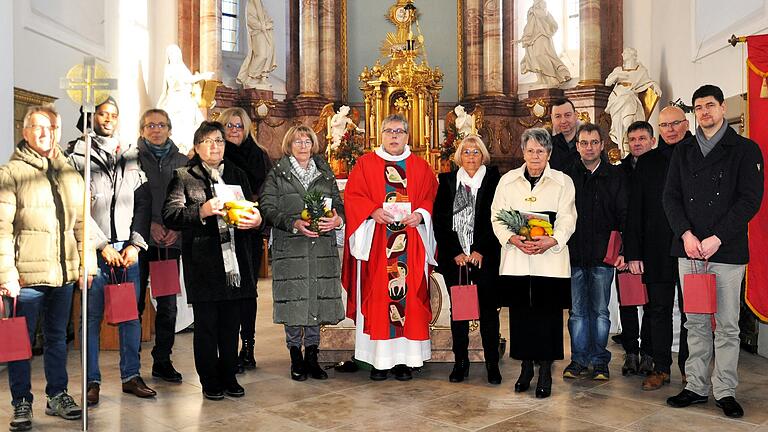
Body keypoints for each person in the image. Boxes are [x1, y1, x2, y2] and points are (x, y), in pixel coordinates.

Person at [664, 85, 764, 418]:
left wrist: (717, 237)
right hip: (690, 250)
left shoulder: (746, 150)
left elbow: (749, 200)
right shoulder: (684, 150)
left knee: (726, 324)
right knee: (695, 323)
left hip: (727, 250)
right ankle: (695, 386)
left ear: (722, 108)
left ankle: (724, 389)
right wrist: (686, 235)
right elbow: (671, 198)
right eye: (698, 107)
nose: (704, 112)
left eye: (710, 105)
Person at [0, 106, 94, 431]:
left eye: (52, 127)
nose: (46, 133)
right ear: (25, 132)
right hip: (25, 277)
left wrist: (87, 265)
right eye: (38, 127)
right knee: (20, 343)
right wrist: (5, 275)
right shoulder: (11, 172)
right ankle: (21, 402)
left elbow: (82, 223)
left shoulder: (69, 172)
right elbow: (1, 228)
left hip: (63, 273)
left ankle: (58, 395)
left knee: (57, 338)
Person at [162, 121, 262, 400]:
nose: (215, 146)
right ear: (197, 147)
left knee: (231, 325)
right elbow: (171, 215)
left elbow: (253, 208)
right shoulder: (183, 176)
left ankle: (229, 375)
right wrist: (202, 211)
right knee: (207, 326)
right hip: (204, 263)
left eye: (219, 141)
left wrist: (256, 219)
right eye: (207, 141)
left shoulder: (237, 173)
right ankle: (209, 380)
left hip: (236, 264)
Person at [66, 97, 155, 405]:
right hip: (94, 251)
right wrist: (101, 245)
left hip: (127, 251)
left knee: (130, 316)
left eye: (113, 115)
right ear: (90, 118)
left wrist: (135, 244)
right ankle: (91, 382)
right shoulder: (75, 155)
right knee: (90, 318)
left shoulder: (130, 153)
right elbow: (75, 207)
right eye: (102, 114)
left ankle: (131, 376)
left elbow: (143, 202)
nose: (108, 119)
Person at [341, 114, 438, 381]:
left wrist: (420, 215)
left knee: (411, 301)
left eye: (399, 131)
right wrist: (371, 211)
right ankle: (379, 361)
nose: (394, 136)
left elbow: (431, 197)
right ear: (380, 135)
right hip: (376, 246)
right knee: (379, 298)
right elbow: (353, 196)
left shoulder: (420, 166)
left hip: (412, 247)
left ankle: (405, 361)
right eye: (389, 131)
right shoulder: (365, 164)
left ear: (408, 136)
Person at [490, 127, 576, 398]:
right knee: (521, 316)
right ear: (522, 152)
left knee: (548, 317)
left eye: (540, 150)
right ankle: (526, 368)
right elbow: (496, 217)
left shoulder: (563, 181)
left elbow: (567, 218)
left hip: (549, 259)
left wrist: (552, 240)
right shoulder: (507, 181)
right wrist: (512, 239)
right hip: (517, 258)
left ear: (548, 152)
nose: (535, 155)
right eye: (530, 150)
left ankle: (545, 372)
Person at [260, 125, 345, 381]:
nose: (303, 145)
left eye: (307, 140)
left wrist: (337, 219)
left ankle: (313, 356)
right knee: (295, 301)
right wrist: (292, 223)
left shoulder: (325, 171)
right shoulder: (278, 173)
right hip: (292, 246)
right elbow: (267, 206)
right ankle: (296, 355)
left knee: (316, 299)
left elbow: (338, 203)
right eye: (297, 141)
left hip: (321, 247)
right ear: (289, 145)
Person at [625, 108, 693, 391]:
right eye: (664, 125)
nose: (670, 129)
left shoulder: (698, 154)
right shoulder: (649, 161)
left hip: (693, 247)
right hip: (657, 249)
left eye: (675, 123)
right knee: (658, 310)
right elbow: (636, 209)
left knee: (693, 313)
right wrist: (634, 252)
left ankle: (691, 369)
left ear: (685, 124)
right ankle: (661, 367)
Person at [433, 135, 502, 384]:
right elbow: (439, 221)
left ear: (483, 155)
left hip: (486, 257)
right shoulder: (449, 182)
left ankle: (492, 363)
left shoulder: (496, 181)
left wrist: (481, 249)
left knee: (488, 312)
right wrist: (455, 252)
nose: (471, 156)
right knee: (460, 312)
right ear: (459, 157)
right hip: (458, 260)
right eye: (466, 152)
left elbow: (500, 217)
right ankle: (460, 361)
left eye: (475, 152)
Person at [563, 123, 628, 382]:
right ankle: (578, 359)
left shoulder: (616, 176)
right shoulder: (567, 176)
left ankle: (600, 361)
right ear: (577, 146)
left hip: (604, 255)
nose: (589, 147)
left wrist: (624, 250)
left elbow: (624, 216)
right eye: (583, 143)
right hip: (575, 255)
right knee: (577, 312)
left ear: (602, 145)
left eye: (593, 142)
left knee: (600, 311)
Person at [136, 109, 189, 383]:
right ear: (142, 130)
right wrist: (150, 226)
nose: (156, 129)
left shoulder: (182, 161)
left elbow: (189, 199)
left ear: (169, 128)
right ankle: (131, 366)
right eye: (150, 125)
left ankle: (162, 360)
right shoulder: (131, 160)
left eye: (161, 124)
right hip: (139, 243)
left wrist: (174, 227)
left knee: (167, 304)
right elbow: (128, 202)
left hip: (170, 243)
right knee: (135, 304)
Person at [218, 107, 272, 373]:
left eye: (239, 126)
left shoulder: (259, 156)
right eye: (229, 125)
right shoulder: (215, 154)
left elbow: (267, 191)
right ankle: (226, 348)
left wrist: (254, 209)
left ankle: (247, 347)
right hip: (220, 233)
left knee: (247, 291)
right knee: (226, 290)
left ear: (247, 128)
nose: (234, 130)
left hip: (248, 231)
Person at [614, 121, 655, 377]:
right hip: (626, 246)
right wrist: (624, 250)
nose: (637, 143)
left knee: (652, 303)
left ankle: (649, 354)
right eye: (633, 139)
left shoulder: (663, 167)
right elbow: (618, 212)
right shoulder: (619, 172)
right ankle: (631, 352)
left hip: (654, 246)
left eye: (642, 138)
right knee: (627, 301)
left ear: (652, 140)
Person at [157, 44, 213, 155]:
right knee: (177, 126)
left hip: (186, 101)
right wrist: (203, 75)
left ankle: (189, 149)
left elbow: (190, 83)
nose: (174, 56)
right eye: (171, 54)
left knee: (190, 126)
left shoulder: (181, 67)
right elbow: (182, 81)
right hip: (176, 101)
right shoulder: (170, 68)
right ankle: (179, 149)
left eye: (176, 53)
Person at [605, 47, 661, 156]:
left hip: (630, 97)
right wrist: (617, 76)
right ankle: (623, 152)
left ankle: (628, 151)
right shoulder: (618, 69)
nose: (622, 54)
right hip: (617, 98)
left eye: (625, 53)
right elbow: (607, 82)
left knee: (628, 124)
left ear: (632, 55)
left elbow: (647, 82)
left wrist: (655, 85)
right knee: (619, 126)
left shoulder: (640, 70)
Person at [519, 0, 571, 86]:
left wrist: (535, 11)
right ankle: (541, 79)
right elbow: (529, 25)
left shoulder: (542, 4)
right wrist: (523, 38)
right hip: (532, 37)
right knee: (533, 57)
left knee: (541, 55)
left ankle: (553, 77)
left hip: (542, 34)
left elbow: (544, 14)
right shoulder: (531, 9)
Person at [236, 0, 277, 89]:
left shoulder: (260, 4)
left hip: (266, 33)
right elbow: (250, 20)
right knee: (261, 55)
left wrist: (268, 25)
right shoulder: (250, 4)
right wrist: (261, 26)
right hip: (257, 33)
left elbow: (268, 19)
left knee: (268, 55)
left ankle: (263, 77)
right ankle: (250, 76)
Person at [548, 98, 580, 171]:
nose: (563, 121)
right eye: (558, 116)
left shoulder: (589, 142)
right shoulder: (546, 144)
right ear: (552, 118)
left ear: (576, 115)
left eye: (567, 115)